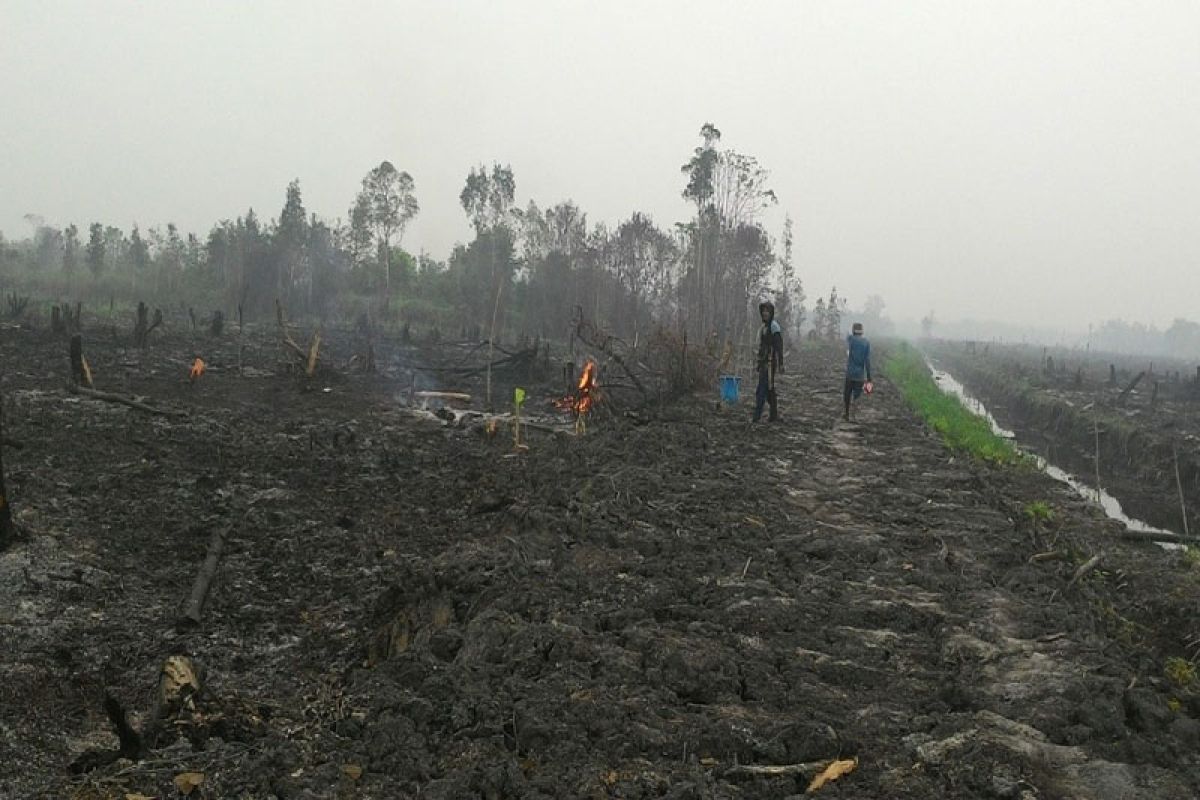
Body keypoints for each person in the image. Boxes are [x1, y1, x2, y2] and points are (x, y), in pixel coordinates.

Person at [753, 301, 784, 422]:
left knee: (762, 390)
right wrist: (758, 363)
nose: (765, 313)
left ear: (771, 313)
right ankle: (773, 415)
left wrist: (781, 363)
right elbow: (761, 347)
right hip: (763, 363)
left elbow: (779, 346)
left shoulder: (774, 327)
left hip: (770, 363)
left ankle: (757, 416)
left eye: (767, 311)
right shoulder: (763, 327)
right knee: (769, 390)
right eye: (763, 311)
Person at [843, 322, 871, 421]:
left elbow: (847, 336)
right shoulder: (866, 342)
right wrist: (869, 377)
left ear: (853, 330)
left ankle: (846, 413)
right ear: (862, 331)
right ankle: (854, 415)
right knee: (857, 395)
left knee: (847, 394)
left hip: (850, 373)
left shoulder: (851, 340)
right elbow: (867, 361)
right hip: (860, 375)